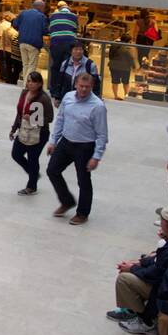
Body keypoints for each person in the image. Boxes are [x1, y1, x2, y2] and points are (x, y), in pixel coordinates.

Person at [109, 204, 168, 335]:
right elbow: (159, 260)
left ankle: (146, 321)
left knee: (124, 278)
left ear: (167, 225)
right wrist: (141, 262)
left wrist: (132, 268)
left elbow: (154, 275)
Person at [47, 71, 107, 225]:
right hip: (66, 142)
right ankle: (67, 201)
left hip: (85, 147)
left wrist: (96, 156)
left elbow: (102, 134)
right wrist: (53, 141)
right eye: (81, 86)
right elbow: (60, 120)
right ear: (76, 85)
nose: (84, 89)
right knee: (52, 170)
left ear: (92, 87)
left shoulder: (98, 106)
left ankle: (82, 213)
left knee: (83, 181)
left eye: (87, 87)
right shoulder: (67, 97)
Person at [9, 72, 53, 195]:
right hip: (23, 130)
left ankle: (32, 186)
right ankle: (33, 174)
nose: (29, 84)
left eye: (32, 81)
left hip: (39, 133)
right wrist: (14, 128)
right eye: (28, 81)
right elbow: (19, 113)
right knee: (16, 154)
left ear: (39, 84)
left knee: (33, 158)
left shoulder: (43, 98)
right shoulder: (24, 93)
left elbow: (50, 118)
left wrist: (33, 118)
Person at [46, 1, 78, 97]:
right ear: (68, 9)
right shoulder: (74, 16)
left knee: (55, 66)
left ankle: (53, 90)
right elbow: (76, 29)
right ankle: (64, 90)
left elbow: (50, 29)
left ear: (59, 8)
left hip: (55, 43)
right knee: (67, 66)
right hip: (69, 43)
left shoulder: (52, 16)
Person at [12, 0, 47, 82]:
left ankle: (25, 84)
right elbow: (45, 30)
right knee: (32, 65)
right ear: (40, 7)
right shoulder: (41, 16)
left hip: (22, 42)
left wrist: (23, 30)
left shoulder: (23, 13)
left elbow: (15, 24)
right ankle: (27, 86)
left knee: (25, 65)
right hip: (34, 43)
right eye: (44, 7)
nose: (44, 9)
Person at [0, 12, 20, 85]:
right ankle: (12, 79)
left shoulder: (5, 30)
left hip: (5, 50)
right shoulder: (15, 32)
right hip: (13, 51)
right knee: (15, 66)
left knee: (7, 65)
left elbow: (2, 40)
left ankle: (7, 78)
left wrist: (3, 49)